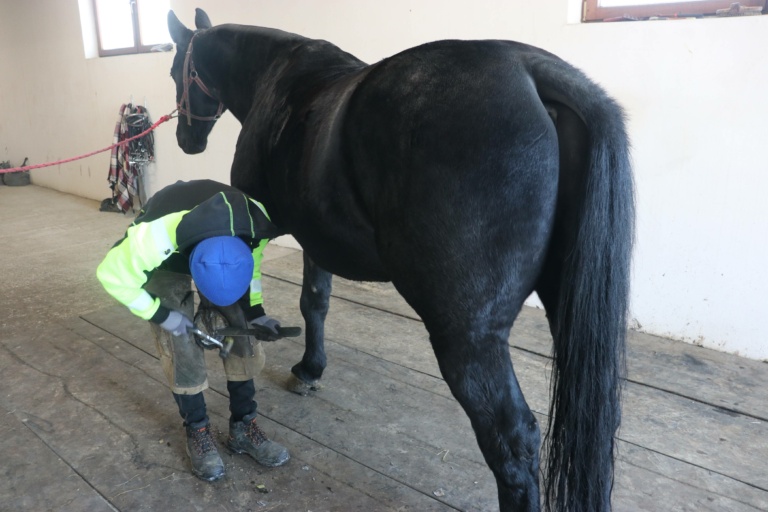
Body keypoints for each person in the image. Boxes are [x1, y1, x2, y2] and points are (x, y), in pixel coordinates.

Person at [97, 179, 290, 481]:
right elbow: (111, 276)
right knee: (179, 339)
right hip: (169, 259)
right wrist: (162, 315)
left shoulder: (256, 224)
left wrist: (257, 312)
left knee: (240, 325)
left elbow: (251, 267)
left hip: (222, 245)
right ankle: (197, 429)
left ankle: (243, 425)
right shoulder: (152, 238)